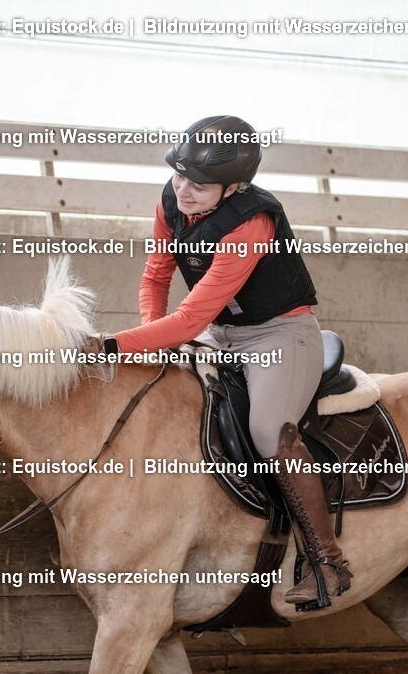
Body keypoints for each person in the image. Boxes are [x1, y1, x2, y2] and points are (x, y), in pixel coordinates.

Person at [87, 115, 352, 604]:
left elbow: (189, 319)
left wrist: (112, 345)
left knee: (269, 431)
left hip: (278, 335)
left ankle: (328, 562)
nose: (184, 191)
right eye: (179, 176)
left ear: (234, 188)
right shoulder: (171, 202)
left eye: (200, 185)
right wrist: (151, 336)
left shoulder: (253, 222)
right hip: (219, 332)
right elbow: (156, 277)